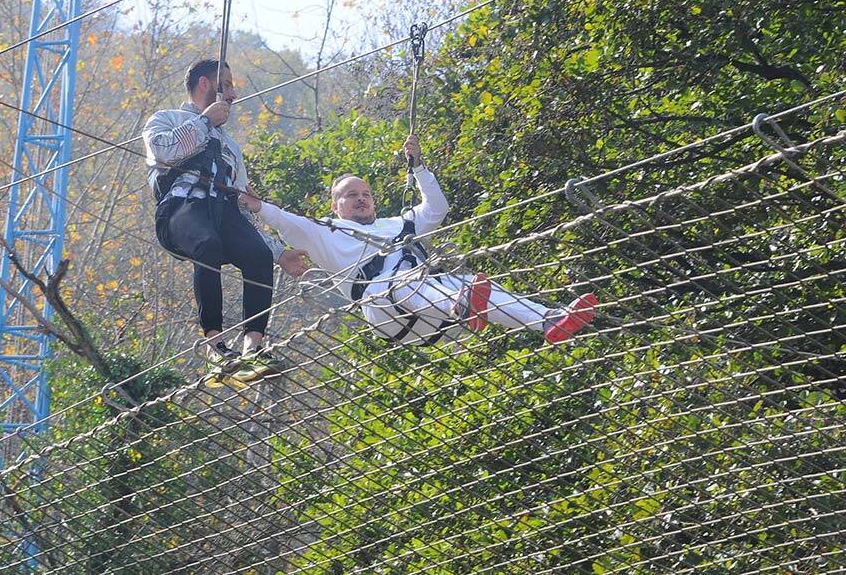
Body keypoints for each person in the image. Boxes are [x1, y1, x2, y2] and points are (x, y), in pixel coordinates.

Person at [240, 134, 597, 345]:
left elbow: (436, 208)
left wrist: (419, 168)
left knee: (470, 283)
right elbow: (280, 218)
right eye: (351, 195)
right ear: (336, 205)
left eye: (365, 193)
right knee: (412, 283)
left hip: (436, 317)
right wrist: (256, 206)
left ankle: (548, 320)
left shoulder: (399, 224)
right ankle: (461, 302)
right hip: (384, 310)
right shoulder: (323, 232)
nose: (361, 198)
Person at [143, 59, 308, 387]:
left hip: (223, 211)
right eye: (227, 85)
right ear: (205, 84)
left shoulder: (231, 148)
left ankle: (253, 349)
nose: (233, 94)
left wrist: (276, 251)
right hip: (182, 208)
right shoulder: (165, 120)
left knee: (257, 255)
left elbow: (242, 204)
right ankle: (215, 345)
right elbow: (162, 153)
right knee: (207, 245)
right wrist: (204, 123)